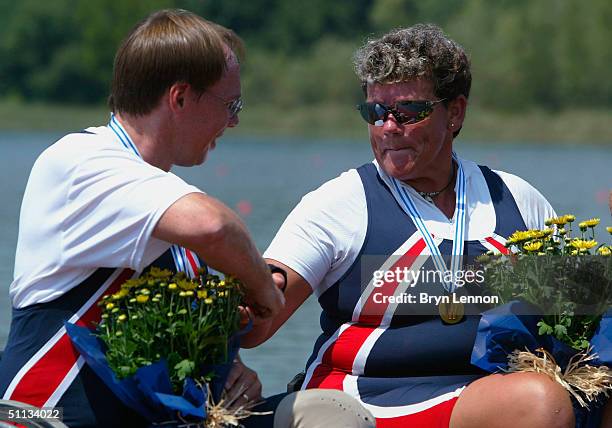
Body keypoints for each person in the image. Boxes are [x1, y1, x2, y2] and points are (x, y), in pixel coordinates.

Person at [0, 9, 371, 428]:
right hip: (52, 416)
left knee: (333, 415)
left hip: (158, 418)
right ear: (179, 98)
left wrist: (228, 375)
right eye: (230, 104)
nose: (234, 121)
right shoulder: (80, 162)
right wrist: (264, 290)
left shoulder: (159, 209)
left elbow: (174, 354)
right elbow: (216, 226)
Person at [247, 24, 611, 427]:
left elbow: (583, 313)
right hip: (361, 401)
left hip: (480, 397)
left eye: (408, 112)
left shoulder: (515, 198)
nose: (388, 127)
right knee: (539, 399)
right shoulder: (339, 204)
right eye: (375, 112)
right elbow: (256, 324)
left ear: (455, 112)